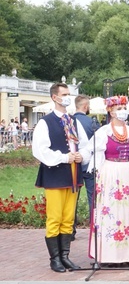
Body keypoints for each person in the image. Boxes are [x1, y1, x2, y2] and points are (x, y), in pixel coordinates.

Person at [32, 83, 93, 273]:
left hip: (72, 175)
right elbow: (40, 150)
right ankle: (55, 259)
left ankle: (65, 256)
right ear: (54, 97)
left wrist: (81, 155)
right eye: (64, 94)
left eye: (69, 94)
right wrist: (64, 157)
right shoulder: (46, 122)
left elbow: (85, 144)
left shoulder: (73, 121)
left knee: (68, 218)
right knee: (55, 217)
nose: (67, 97)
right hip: (55, 174)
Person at [88, 96, 129, 264]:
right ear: (110, 111)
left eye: (124, 107)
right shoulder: (103, 133)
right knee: (113, 211)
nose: (122, 111)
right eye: (118, 108)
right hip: (112, 173)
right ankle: (111, 254)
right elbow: (97, 157)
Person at [72, 95, 99, 239]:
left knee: (72, 198)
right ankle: (94, 227)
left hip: (73, 163)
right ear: (85, 106)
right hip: (90, 164)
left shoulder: (69, 121)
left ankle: (70, 230)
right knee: (92, 197)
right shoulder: (92, 122)